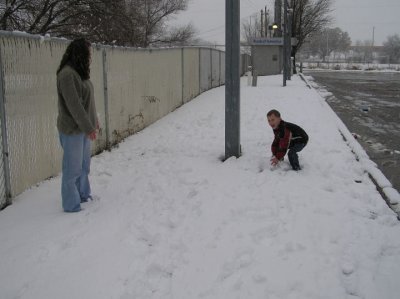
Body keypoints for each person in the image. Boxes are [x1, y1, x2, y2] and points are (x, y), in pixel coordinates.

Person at [56, 38, 98, 212]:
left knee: (84, 166)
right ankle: (71, 205)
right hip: (73, 130)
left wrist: (94, 122)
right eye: (88, 52)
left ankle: (83, 194)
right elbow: (75, 105)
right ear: (80, 53)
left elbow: (88, 102)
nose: (90, 56)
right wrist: (89, 127)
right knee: (72, 169)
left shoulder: (79, 73)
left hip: (85, 127)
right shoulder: (67, 75)